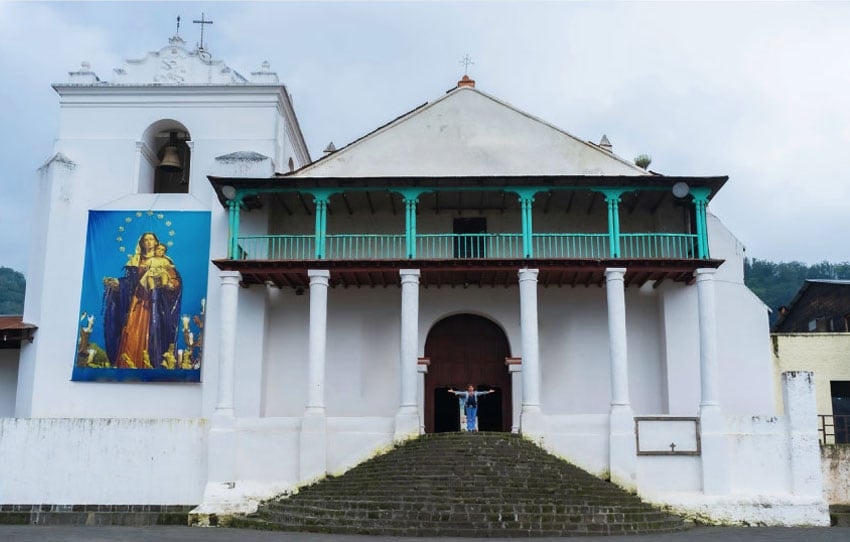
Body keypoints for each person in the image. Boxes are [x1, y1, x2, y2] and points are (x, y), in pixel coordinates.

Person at [103, 232, 182, 369]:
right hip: (138, 300)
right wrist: (118, 284)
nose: (149, 242)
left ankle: (151, 364)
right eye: (145, 240)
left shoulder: (165, 260)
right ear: (141, 243)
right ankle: (128, 363)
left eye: (151, 239)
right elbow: (130, 282)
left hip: (156, 304)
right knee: (131, 331)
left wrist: (169, 285)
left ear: (156, 242)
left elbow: (175, 280)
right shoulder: (135, 261)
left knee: (154, 332)